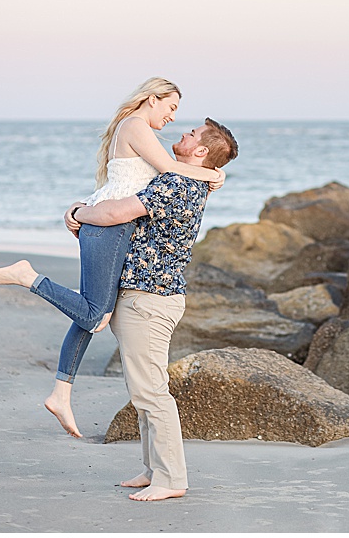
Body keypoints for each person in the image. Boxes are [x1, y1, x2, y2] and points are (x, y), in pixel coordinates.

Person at [0, 78, 224, 437]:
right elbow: (169, 170)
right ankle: (28, 277)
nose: (173, 117)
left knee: (90, 315)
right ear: (153, 99)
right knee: (96, 314)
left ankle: (61, 393)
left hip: (107, 230)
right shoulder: (136, 126)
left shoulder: (137, 130)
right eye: (171, 108)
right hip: (107, 231)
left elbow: (127, 182)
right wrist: (212, 173)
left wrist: (80, 207)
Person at [66, 118, 238, 501]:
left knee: (151, 392)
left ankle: (172, 479)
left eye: (193, 134)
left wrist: (77, 213)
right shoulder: (192, 178)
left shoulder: (177, 182)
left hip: (150, 297)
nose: (184, 132)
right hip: (149, 294)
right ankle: (153, 469)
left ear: (201, 152)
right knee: (142, 388)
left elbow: (116, 213)